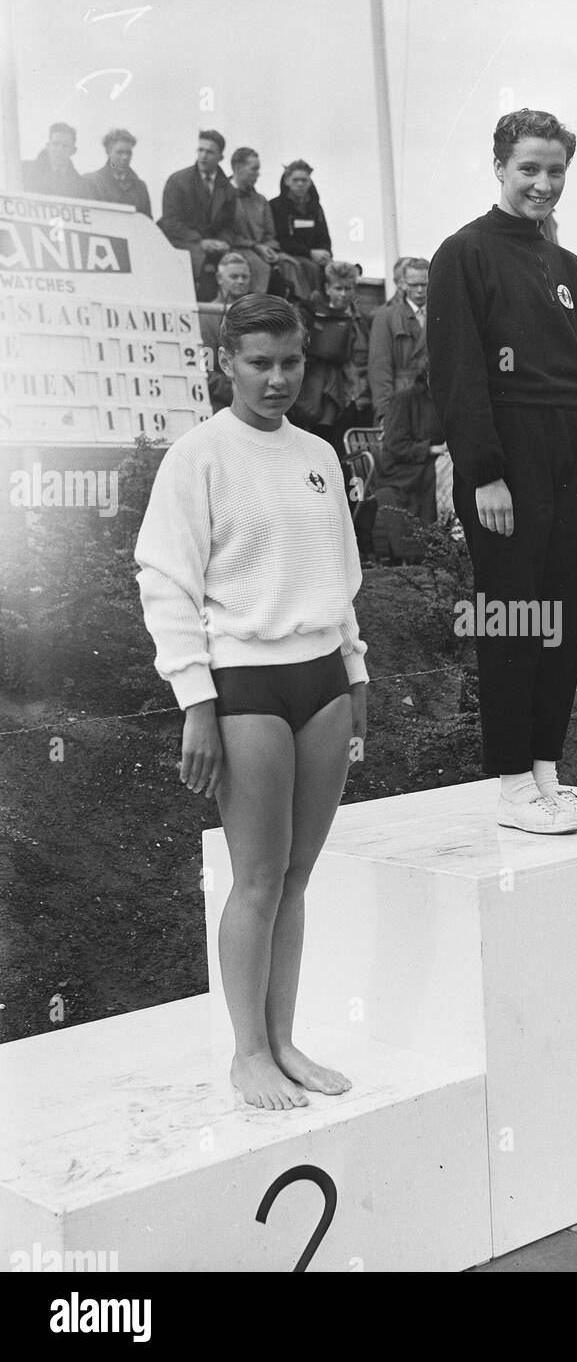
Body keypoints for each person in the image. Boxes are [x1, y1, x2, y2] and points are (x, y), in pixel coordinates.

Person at [134, 293, 368, 1112]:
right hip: (245, 684)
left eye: (291, 362)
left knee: (299, 876)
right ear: (223, 362)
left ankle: (284, 1040)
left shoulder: (318, 455)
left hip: (321, 680)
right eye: (259, 362)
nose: (277, 379)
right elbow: (166, 583)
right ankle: (246, 1054)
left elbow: (338, 576)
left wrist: (356, 669)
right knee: (258, 877)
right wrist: (195, 700)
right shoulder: (197, 456)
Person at [427, 108, 577, 835]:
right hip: (507, 452)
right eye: (529, 170)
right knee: (513, 614)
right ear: (499, 168)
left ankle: (547, 771)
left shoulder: (569, 267)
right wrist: (483, 472)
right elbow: (456, 374)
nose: (543, 184)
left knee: (563, 618)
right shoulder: (464, 252)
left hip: (571, 449)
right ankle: (513, 781)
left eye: (555, 172)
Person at [290, 259, 372, 451]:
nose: (343, 294)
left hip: (357, 395)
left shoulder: (362, 321)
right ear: (327, 288)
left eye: (348, 288)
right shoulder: (311, 314)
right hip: (322, 395)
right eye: (338, 288)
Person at [372, 366, 448, 562]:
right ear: (427, 376)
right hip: (401, 469)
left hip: (429, 462)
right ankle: (446, 537)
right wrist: (433, 449)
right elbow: (396, 445)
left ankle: (453, 537)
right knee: (448, 471)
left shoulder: (443, 400)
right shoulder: (404, 399)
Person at [158, 130, 237, 296]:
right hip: (182, 242)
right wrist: (200, 242)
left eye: (210, 152)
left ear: (220, 157)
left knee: (236, 266)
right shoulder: (178, 181)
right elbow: (170, 222)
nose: (203, 156)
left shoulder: (227, 189)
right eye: (200, 150)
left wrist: (223, 242)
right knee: (204, 267)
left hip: (214, 246)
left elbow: (229, 225)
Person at [228, 147, 307, 299]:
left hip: (263, 250)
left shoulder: (261, 201)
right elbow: (225, 233)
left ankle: (294, 310)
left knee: (291, 265)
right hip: (237, 249)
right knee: (260, 269)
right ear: (238, 168)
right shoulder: (223, 196)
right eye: (254, 169)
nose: (258, 174)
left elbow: (270, 233)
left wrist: (269, 249)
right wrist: (254, 246)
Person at [367, 257, 429, 422]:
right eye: (414, 285)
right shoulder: (386, 317)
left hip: (433, 401)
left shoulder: (442, 315)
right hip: (399, 401)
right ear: (403, 284)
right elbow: (380, 369)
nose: (420, 290)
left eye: (424, 284)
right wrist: (384, 413)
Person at [269, 160, 333, 299]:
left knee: (336, 271)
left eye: (304, 180)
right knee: (310, 268)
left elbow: (324, 237)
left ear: (310, 182)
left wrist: (325, 253)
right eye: (295, 180)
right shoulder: (276, 206)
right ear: (287, 181)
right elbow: (281, 240)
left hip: (315, 256)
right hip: (292, 255)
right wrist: (310, 253)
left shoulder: (315, 208)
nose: (300, 184)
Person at [198, 252, 253, 412]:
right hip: (223, 402)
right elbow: (205, 369)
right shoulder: (207, 317)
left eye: (245, 277)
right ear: (219, 278)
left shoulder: (257, 314)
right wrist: (241, 391)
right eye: (234, 277)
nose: (240, 281)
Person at [79, 127, 152, 216]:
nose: (125, 157)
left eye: (128, 153)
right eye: (119, 152)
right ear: (108, 152)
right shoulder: (91, 181)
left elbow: (147, 223)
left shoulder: (140, 187)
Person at [21, 122, 85, 198]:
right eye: (56, 144)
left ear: (73, 151)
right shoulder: (25, 170)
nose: (60, 149)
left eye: (65, 145)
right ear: (48, 146)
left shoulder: (79, 184)